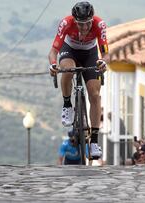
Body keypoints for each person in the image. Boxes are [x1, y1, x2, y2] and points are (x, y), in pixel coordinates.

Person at [48, 1, 110, 158]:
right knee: (68, 71)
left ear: (92, 20)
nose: (84, 28)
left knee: (95, 95)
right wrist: (53, 65)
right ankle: (67, 104)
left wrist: (103, 62)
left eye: (87, 24)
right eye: (80, 24)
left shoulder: (99, 25)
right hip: (69, 50)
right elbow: (53, 52)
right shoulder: (66, 23)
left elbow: (106, 53)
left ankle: (94, 142)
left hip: (90, 54)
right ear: (74, 21)